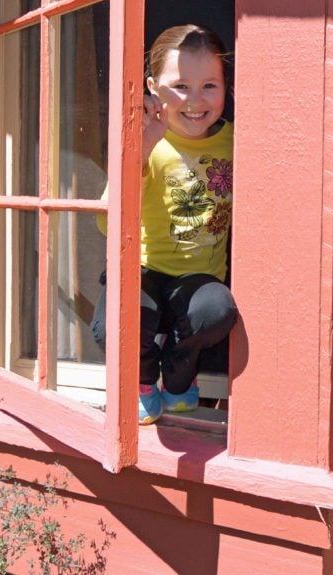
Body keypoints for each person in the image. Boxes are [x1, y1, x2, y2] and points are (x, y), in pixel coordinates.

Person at [91, 24, 237, 425]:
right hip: (144, 266)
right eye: (180, 86)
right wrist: (142, 149)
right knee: (117, 323)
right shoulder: (146, 141)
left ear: (226, 86)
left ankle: (179, 380)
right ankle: (141, 381)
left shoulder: (235, 141)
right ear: (154, 89)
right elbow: (107, 225)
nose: (194, 100)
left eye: (209, 85)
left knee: (217, 311)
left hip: (197, 275)